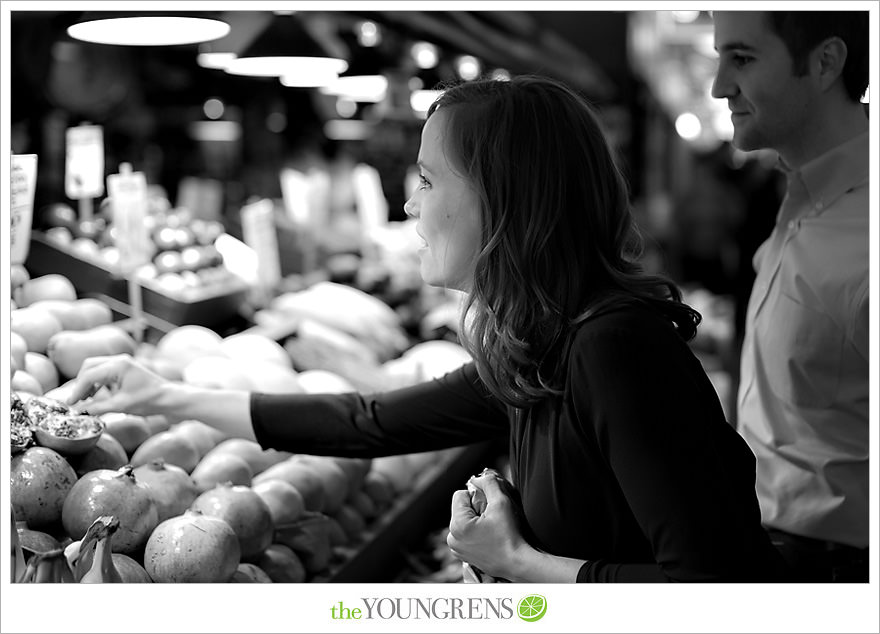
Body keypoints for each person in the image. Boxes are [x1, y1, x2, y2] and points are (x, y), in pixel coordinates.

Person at [66, 75, 790, 582]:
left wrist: (522, 564)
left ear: (505, 200)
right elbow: (369, 420)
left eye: (427, 179)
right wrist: (164, 396)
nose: (409, 207)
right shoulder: (540, 344)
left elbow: (718, 587)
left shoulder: (616, 349)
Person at [711, 11, 869, 581]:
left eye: (743, 59)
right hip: (766, 545)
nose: (719, 85)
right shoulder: (803, 192)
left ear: (825, 63)